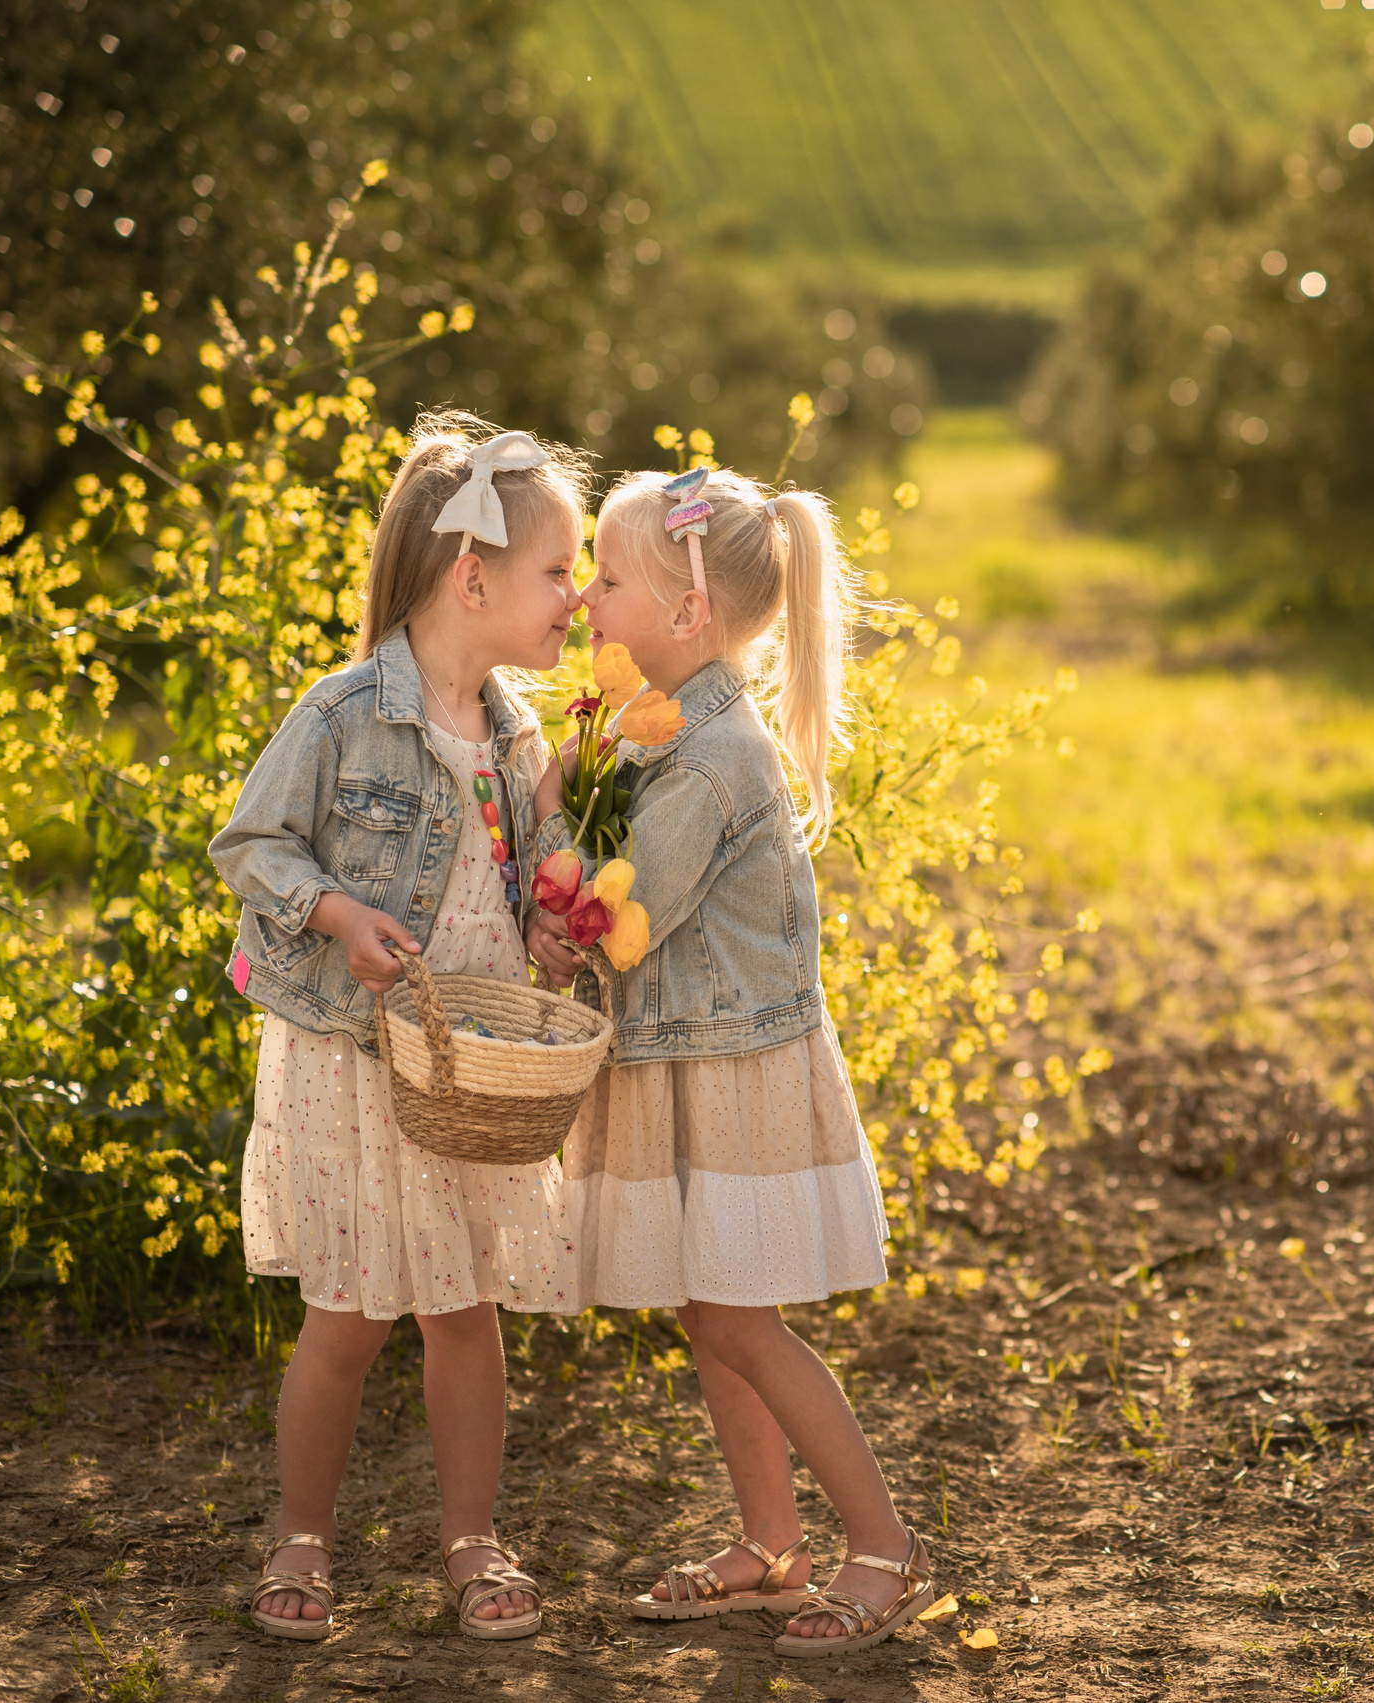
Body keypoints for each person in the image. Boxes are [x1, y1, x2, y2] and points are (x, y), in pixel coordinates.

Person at [527, 464, 934, 1657]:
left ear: (688, 613)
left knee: (743, 1321)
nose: (588, 600)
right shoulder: (666, 725)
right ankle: (772, 1546)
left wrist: (548, 806)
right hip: (692, 1056)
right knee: (715, 1315)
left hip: (732, 1068)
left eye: (607, 579)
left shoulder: (707, 759)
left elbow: (629, 910)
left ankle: (884, 1544)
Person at [210, 415, 589, 1641]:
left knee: (465, 1308)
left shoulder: (521, 729)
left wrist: (552, 936)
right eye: (556, 571)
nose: (575, 596)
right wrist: (331, 908)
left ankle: (474, 1537)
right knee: (349, 1315)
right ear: (472, 579)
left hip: (463, 1066)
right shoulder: (340, 713)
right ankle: (303, 1534)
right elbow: (250, 843)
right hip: (352, 1061)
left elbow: (517, 882)